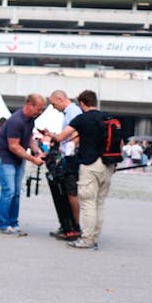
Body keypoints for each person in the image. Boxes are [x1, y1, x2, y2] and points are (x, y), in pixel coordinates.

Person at [53, 90, 119, 250]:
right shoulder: (108, 117)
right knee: (99, 203)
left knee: (88, 202)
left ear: (82, 103)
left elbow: (61, 138)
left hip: (90, 165)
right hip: (108, 164)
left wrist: (50, 135)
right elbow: (120, 142)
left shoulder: (82, 119)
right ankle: (95, 236)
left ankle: (87, 239)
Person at [0, 93, 46, 235]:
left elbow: (29, 139)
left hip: (17, 159)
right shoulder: (16, 121)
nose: (40, 112)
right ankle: (2, 225)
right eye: (39, 109)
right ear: (29, 105)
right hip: (5, 158)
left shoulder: (30, 120)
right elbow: (14, 146)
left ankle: (13, 222)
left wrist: (37, 151)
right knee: (9, 191)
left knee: (16, 192)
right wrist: (33, 159)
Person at [44, 90, 81, 237]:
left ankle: (74, 226)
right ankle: (67, 224)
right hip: (68, 156)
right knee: (64, 192)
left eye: (53, 104)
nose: (53, 107)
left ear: (60, 99)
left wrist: (69, 150)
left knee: (70, 192)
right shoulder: (70, 112)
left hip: (69, 158)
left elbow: (76, 133)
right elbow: (66, 136)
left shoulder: (73, 112)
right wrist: (53, 135)